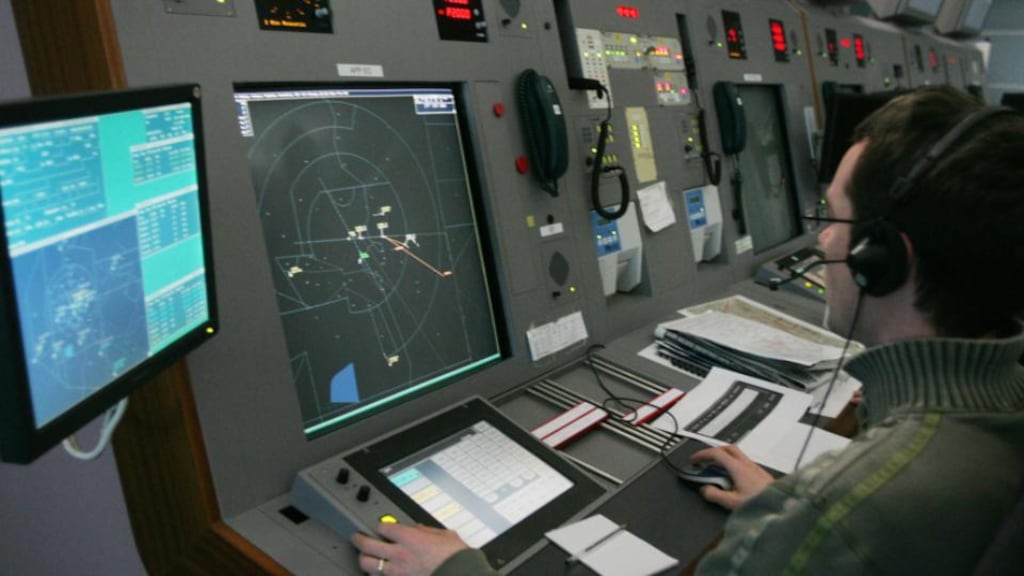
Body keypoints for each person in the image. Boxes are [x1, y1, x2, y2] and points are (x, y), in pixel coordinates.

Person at [350, 86, 1024, 575]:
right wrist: (785, 512)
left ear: (883, 258)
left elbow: (846, 527)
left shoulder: (844, 513)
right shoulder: (999, 407)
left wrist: (461, 573)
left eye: (836, 219)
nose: (820, 240)